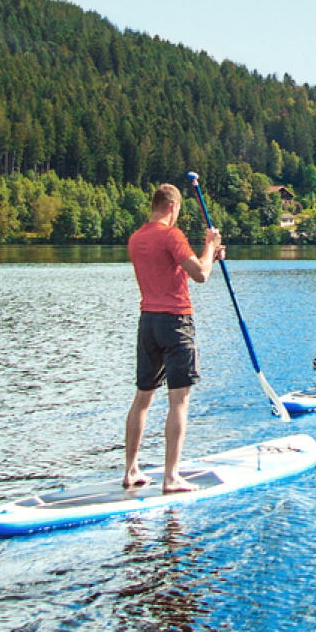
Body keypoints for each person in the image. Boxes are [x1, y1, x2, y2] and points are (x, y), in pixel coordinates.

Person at [122, 183, 221, 492]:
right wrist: (211, 247)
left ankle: (130, 471)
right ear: (172, 208)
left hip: (148, 322)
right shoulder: (171, 235)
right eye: (178, 211)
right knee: (179, 400)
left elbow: (169, 270)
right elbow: (200, 274)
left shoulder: (135, 239)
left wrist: (211, 256)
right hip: (176, 322)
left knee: (142, 398)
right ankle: (171, 476)